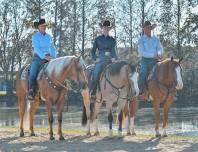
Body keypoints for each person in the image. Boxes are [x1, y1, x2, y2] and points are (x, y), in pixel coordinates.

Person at [27, 18, 58, 100]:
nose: (44, 27)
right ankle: (31, 91)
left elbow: (52, 48)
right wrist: (44, 56)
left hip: (49, 58)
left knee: (57, 70)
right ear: (38, 27)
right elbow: (36, 48)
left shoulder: (49, 37)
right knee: (33, 72)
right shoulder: (35, 37)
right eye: (42, 26)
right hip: (38, 57)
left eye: (45, 26)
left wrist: (53, 56)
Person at [90, 20, 118, 100]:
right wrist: (95, 58)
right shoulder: (98, 39)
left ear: (109, 29)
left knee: (118, 72)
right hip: (101, 60)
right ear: (102, 28)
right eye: (104, 27)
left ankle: (117, 92)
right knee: (96, 73)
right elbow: (93, 51)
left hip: (110, 60)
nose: (106, 29)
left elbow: (114, 50)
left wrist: (114, 58)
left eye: (107, 28)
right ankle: (93, 92)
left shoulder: (112, 40)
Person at [138, 21, 163, 100]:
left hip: (156, 60)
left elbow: (160, 49)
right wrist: (153, 55)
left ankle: (170, 91)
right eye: (145, 28)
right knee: (143, 73)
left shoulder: (156, 39)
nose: (147, 29)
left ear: (151, 28)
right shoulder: (141, 39)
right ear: (144, 29)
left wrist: (159, 53)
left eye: (149, 28)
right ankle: (140, 92)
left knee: (164, 70)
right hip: (145, 60)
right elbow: (141, 52)